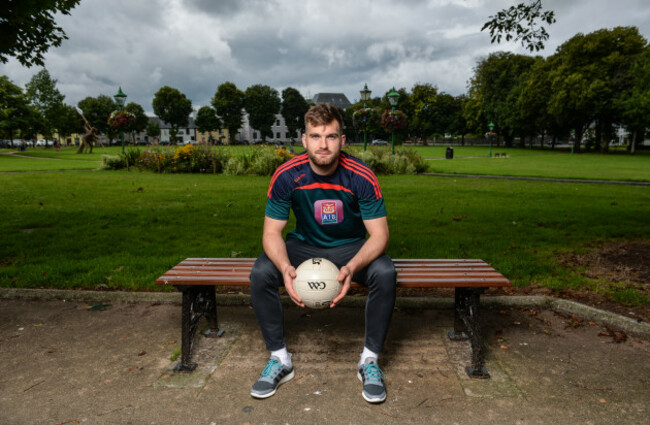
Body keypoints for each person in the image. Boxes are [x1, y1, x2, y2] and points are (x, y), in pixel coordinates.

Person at [249, 103, 396, 403]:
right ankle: (279, 358)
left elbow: (380, 236)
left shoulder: (361, 176)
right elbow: (271, 233)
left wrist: (352, 267)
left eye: (331, 136)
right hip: (303, 246)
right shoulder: (287, 175)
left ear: (342, 140)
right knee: (261, 271)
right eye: (316, 136)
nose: (323, 144)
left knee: (385, 272)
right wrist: (285, 267)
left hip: (350, 247)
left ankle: (369, 360)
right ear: (304, 140)